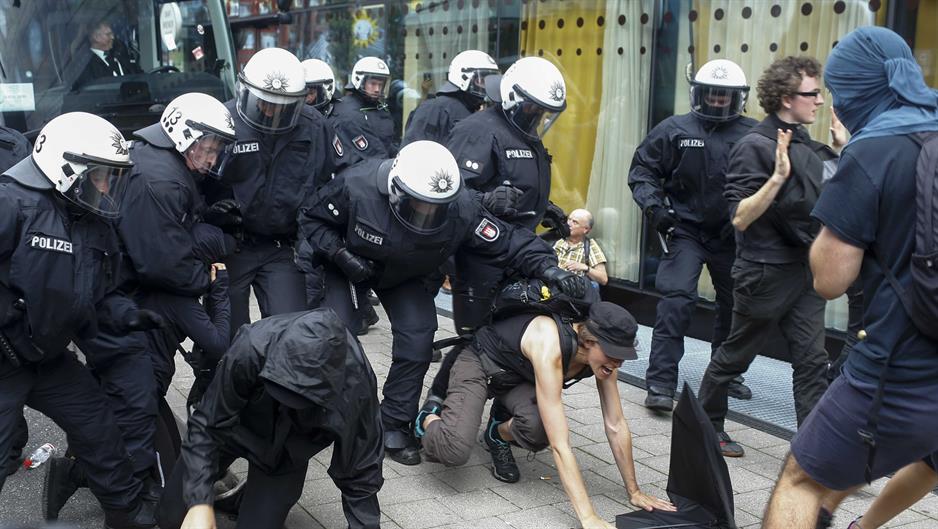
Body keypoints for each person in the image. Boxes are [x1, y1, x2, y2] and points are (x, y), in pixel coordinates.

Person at [298, 140, 588, 466]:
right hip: (349, 267)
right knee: (338, 338)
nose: (427, 213)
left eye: (436, 207)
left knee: (418, 339)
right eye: (419, 205)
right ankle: (321, 411)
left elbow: (510, 242)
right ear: (395, 189)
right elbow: (313, 220)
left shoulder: (461, 208)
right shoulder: (357, 186)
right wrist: (340, 254)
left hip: (405, 274)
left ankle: (392, 423)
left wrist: (550, 269)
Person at [762, 27, 938, 529]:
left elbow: (829, 279)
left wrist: (841, 176)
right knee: (929, 458)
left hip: (900, 366)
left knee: (802, 478)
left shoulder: (872, 152)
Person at [0, 112, 164, 528]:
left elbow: (100, 292)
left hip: (49, 358)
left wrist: (128, 315)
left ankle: (127, 514)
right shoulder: (11, 204)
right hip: (2, 359)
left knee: (100, 431)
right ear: (66, 168)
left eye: (110, 175)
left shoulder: (93, 224)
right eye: (99, 175)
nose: (107, 185)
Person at [417, 302, 675, 528]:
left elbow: (616, 424)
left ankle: (496, 433)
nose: (618, 363)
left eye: (623, 356)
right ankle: (429, 416)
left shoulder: (606, 362)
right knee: (453, 450)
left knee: (538, 428)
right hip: (480, 364)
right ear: (588, 341)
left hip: (518, 378)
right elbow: (560, 444)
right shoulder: (550, 342)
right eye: (613, 353)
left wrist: (635, 491)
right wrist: (588, 517)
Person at [697, 56, 838, 458]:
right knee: (734, 356)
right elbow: (740, 218)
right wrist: (776, 179)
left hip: (804, 270)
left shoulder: (811, 145)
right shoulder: (755, 147)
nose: (819, 101)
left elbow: (836, 198)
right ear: (786, 98)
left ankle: (816, 451)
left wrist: (844, 152)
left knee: (812, 360)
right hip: (764, 273)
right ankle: (707, 428)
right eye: (812, 94)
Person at [157, 309, 383, 529]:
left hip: (285, 455)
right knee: (172, 517)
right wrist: (199, 503)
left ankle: (247, 500)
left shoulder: (357, 388)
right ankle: (228, 498)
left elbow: (361, 473)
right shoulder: (251, 346)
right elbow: (207, 426)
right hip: (233, 429)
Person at [628, 59, 757, 412]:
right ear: (699, 94)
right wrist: (655, 210)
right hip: (684, 230)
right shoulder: (674, 129)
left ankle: (726, 376)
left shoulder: (754, 133)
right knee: (677, 300)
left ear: (738, 98)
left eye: (725, 94)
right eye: (712, 92)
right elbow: (642, 171)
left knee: (736, 306)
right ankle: (660, 383)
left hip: (733, 235)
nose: (718, 99)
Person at [202, 47, 337, 339]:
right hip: (231, 245)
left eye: (282, 106)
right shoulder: (222, 121)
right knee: (226, 336)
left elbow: (328, 185)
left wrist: (311, 240)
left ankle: (275, 384)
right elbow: (198, 184)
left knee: (289, 334)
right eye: (264, 102)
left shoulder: (314, 127)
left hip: (281, 245)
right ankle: (216, 383)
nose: (271, 111)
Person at [446, 56, 570, 333]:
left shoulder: (525, 133)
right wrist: (486, 200)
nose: (538, 115)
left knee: (507, 337)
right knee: (477, 340)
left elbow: (515, 180)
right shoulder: (478, 130)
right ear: (512, 96)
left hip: (517, 250)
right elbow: (449, 194)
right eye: (533, 108)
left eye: (544, 111)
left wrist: (544, 207)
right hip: (481, 254)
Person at [402, 49, 499, 146]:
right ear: (463, 78)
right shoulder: (434, 109)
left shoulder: (479, 111)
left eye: (490, 81)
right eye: (481, 81)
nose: (487, 86)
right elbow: (413, 152)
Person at [330, 56, 398, 160]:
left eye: (380, 85)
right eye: (373, 83)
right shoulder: (346, 110)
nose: (377, 89)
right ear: (359, 80)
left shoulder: (380, 107)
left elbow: (387, 144)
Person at [73, 20, 142, 89]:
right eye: (108, 34)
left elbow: (139, 74)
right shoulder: (86, 65)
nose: (112, 37)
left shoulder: (121, 54)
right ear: (96, 37)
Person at [552, 208, 608, 287]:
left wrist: (585, 268)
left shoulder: (589, 246)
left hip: (571, 291)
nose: (569, 224)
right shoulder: (556, 239)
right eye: (569, 220)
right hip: (549, 284)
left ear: (586, 229)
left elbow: (603, 279)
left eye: (575, 222)